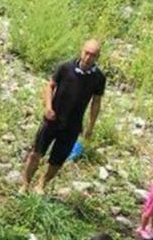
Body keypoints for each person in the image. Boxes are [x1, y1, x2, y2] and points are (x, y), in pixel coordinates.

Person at [21, 40, 106, 192]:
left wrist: (90, 126)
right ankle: (25, 184)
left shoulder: (99, 78)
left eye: (93, 55)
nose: (88, 57)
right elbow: (50, 85)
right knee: (36, 152)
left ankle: (41, 184)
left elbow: (96, 102)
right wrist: (47, 106)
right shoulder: (65, 67)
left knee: (57, 160)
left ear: (98, 57)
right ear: (82, 50)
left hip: (73, 124)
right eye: (86, 53)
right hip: (53, 118)